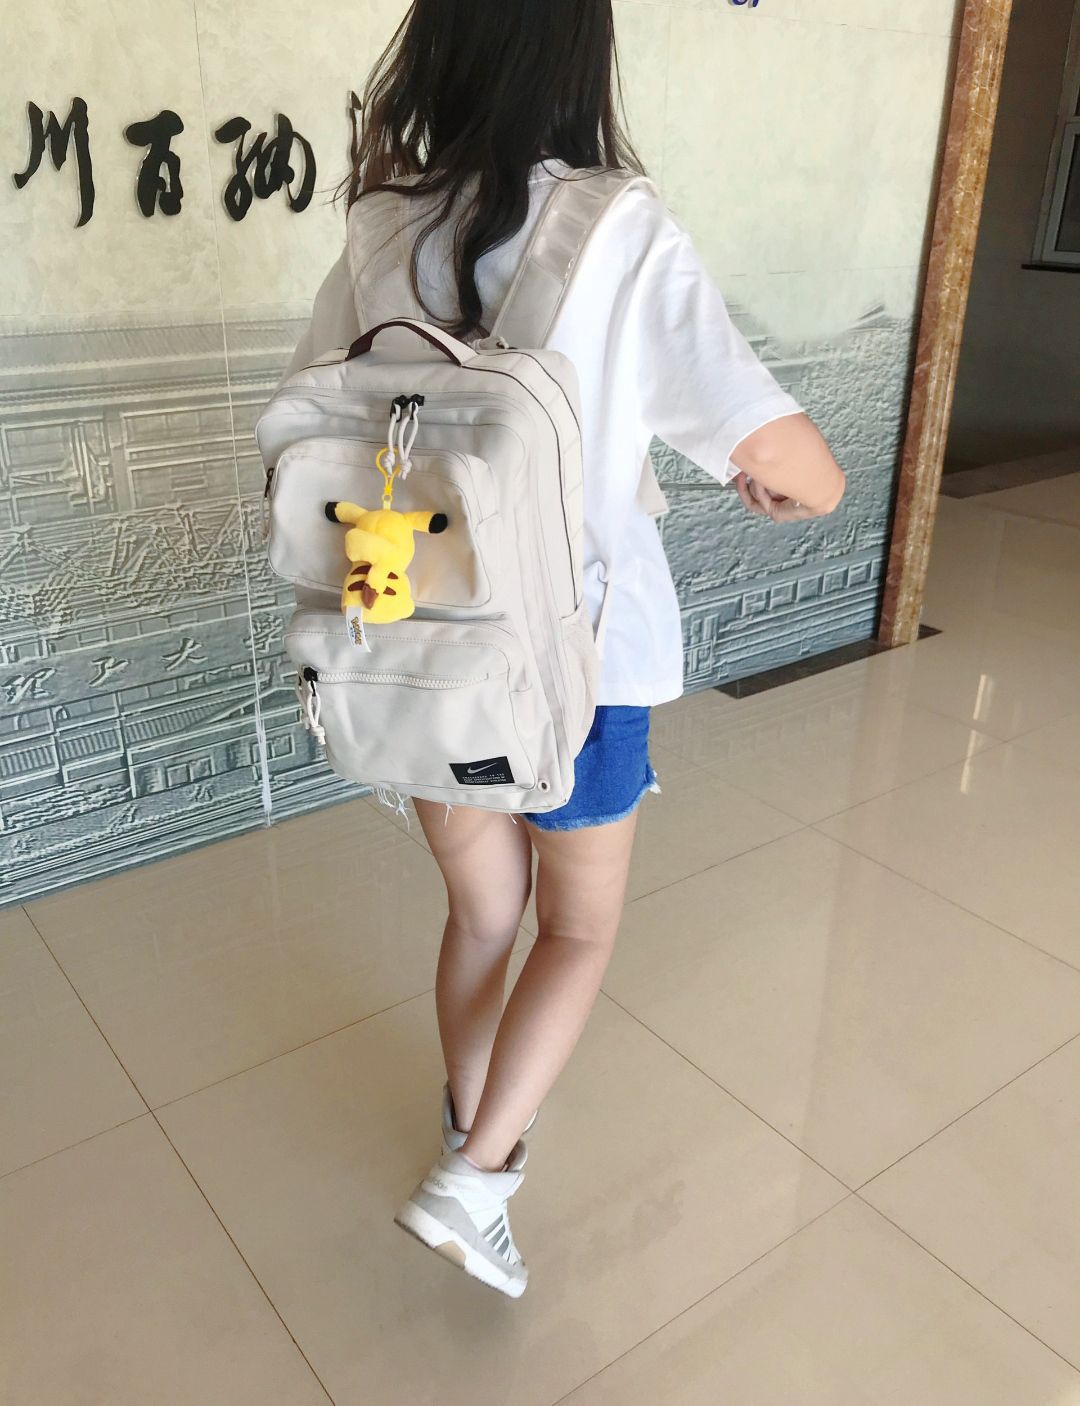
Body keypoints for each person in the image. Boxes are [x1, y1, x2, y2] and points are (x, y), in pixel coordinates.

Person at [287, 0, 846, 1298]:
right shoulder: (617, 225)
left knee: (483, 912)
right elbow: (797, 463)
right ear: (578, 52)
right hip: (581, 661)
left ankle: (466, 1123)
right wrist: (776, 483)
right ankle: (476, 1180)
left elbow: (319, 408)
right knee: (577, 929)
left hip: (424, 645)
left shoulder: (380, 226)